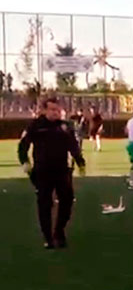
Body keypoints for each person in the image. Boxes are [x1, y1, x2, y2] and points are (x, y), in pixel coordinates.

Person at [18, 98, 86, 249]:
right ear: (44, 110)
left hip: (62, 170)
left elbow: (73, 146)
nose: (56, 113)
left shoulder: (64, 126)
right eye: (52, 109)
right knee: (44, 203)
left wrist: (80, 161)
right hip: (42, 171)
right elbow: (23, 145)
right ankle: (48, 237)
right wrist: (25, 162)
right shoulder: (35, 126)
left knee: (67, 200)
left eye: (57, 110)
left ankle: (59, 232)